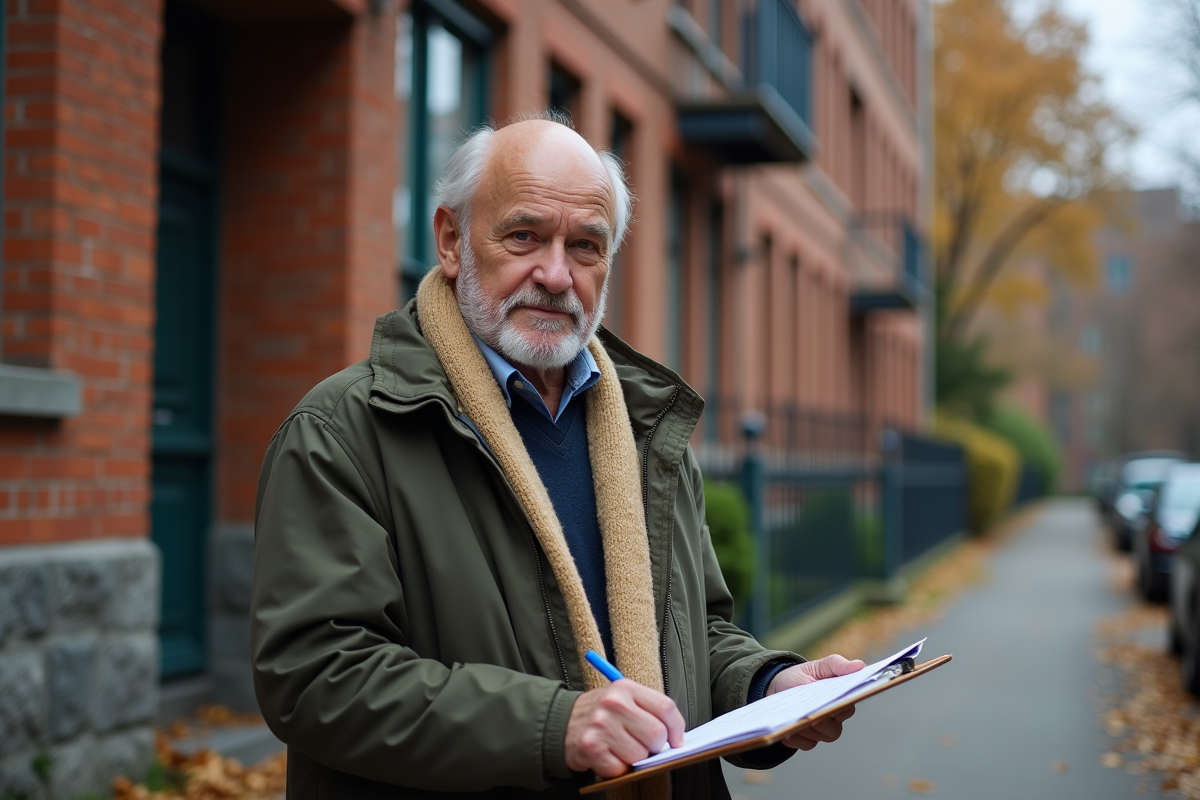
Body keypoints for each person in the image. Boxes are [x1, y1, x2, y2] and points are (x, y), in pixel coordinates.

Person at [250, 113, 864, 800]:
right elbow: (314, 678)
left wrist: (768, 684)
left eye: (585, 246)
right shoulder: (342, 431)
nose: (555, 274)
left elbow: (696, 634)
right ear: (451, 241)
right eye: (524, 236)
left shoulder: (644, 428)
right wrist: (553, 727)